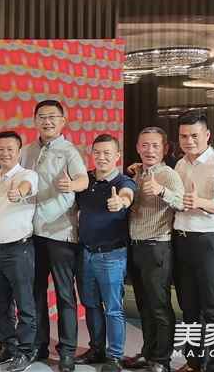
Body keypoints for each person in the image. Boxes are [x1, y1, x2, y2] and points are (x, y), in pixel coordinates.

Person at [20, 99, 89, 372]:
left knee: (64, 294)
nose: (47, 121)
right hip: (32, 233)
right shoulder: (27, 151)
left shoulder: (69, 151)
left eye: (52, 117)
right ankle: (39, 345)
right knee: (35, 292)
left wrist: (72, 184)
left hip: (61, 233)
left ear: (63, 121)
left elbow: (83, 180)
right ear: (35, 120)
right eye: (42, 116)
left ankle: (67, 351)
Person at [172, 112, 214, 372]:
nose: (188, 141)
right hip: (182, 241)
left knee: (213, 309)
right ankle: (194, 363)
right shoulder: (180, 164)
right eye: (183, 136)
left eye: (194, 136)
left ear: (207, 135)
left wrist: (199, 202)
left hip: (208, 242)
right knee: (188, 308)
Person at [74, 134, 137, 372]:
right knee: (90, 304)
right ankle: (96, 349)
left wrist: (121, 202)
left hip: (112, 255)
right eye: (97, 152)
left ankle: (115, 357)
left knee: (112, 308)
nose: (101, 157)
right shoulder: (86, 180)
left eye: (107, 153)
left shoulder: (123, 181)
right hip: (85, 253)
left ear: (117, 156)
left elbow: (128, 195)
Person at [126, 127, 184, 372]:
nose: (149, 150)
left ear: (165, 149)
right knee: (144, 304)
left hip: (157, 246)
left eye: (155, 145)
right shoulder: (138, 172)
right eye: (145, 145)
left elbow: (182, 203)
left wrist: (162, 191)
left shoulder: (168, 175)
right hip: (136, 246)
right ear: (138, 148)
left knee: (159, 306)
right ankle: (148, 353)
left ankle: (162, 360)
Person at [0, 131, 39, 372]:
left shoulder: (27, 175)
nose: (5, 153)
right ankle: (8, 347)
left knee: (24, 304)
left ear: (19, 152)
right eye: (1, 149)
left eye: (10, 149)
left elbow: (26, 188)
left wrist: (19, 192)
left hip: (18, 250)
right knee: (2, 305)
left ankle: (26, 351)